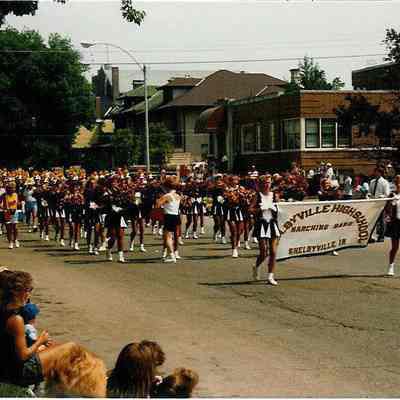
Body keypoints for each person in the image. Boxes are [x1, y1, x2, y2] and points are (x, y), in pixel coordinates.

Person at [0, 270, 85, 390]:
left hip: (5, 366)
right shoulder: (15, 319)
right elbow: (23, 356)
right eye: (29, 290)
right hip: (17, 373)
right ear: (18, 292)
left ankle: (49, 388)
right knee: (71, 349)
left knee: (56, 347)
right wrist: (40, 340)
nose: (29, 295)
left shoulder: (4, 309)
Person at [250, 175, 281, 285]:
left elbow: (280, 208)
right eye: (265, 183)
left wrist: (275, 208)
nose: (267, 184)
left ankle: (270, 276)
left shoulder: (274, 195)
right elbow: (250, 209)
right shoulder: (257, 195)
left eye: (269, 182)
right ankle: (256, 266)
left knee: (273, 252)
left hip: (272, 224)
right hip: (261, 224)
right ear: (261, 184)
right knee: (264, 252)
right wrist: (259, 209)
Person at [157, 177, 182, 263]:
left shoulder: (167, 196)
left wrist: (160, 200)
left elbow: (157, 205)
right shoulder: (178, 195)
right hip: (176, 216)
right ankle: (171, 254)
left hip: (168, 216)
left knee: (167, 237)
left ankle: (172, 255)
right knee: (171, 236)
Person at [368, 167, 390, 243]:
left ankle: (381, 236)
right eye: (375, 172)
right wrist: (368, 195)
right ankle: (370, 236)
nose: (375, 173)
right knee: (372, 221)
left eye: (376, 172)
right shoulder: (372, 182)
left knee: (381, 221)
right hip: (372, 203)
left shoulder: (384, 182)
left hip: (381, 204)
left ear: (380, 173)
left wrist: (381, 196)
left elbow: (387, 194)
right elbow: (369, 191)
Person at [384, 175, 400, 276]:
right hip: (396, 223)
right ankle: (391, 266)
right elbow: (386, 208)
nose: (399, 184)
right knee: (395, 247)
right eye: (397, 182)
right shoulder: (392, 195)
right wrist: (388, 215)